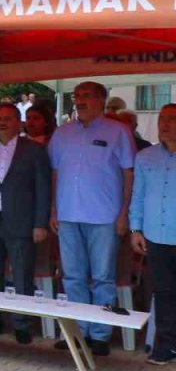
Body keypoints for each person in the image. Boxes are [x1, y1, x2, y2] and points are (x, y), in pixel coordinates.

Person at [49, 81, 136, 356]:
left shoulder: (118, 131)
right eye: (77, 96)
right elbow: (54, 173)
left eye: (86, 96)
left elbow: (128, 174)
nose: (80, 100)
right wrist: (53, 209)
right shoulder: (61, 134)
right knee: (72, 277)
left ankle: (100, 334)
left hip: (104, 216)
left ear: (101, 99)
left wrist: (124, 213)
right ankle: (78, 332)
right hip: (68, 215)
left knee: (103, 278)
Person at [0, 103, 51, 344]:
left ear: (19, 123)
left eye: (8, 118)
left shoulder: (34, 150)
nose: (2, 122)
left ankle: (22, 323)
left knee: (22, 275)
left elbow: (43, 189)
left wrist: (40, 223)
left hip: (22, 222)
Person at [129, 103, 176, 365]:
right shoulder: (145, 157)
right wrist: (135, 229)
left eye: (171, 119)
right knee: (164, 292)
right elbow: (138, 196)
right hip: (155, 236)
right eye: (162, 119)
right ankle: (168, 345)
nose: (164, 124)